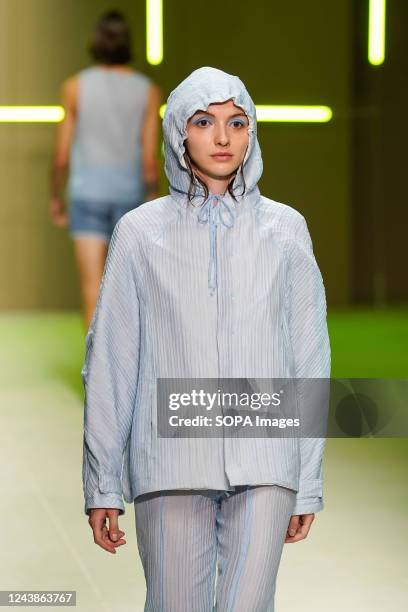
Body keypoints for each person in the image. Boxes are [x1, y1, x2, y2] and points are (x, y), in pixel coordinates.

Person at [82, 66, 331, 611]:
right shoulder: (140, 233)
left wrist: (306, 478)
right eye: (204, 122)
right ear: (178, 131)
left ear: (252, 132)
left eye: (237, 123)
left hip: (266, 460)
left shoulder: (286, 230)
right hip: (169, 463)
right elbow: (111, 362)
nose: (223, 138)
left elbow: (310, 357)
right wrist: (102, 482)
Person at [49, 10, 161, 329]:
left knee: (91, 288)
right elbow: (149, 157)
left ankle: (96, 374)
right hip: (130, 198)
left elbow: (61, 154)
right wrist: (153, 198)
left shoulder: (74, 87)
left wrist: (55, 196)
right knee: (128, 290)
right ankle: (125, 373)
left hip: (86, 194)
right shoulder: (148, 91)